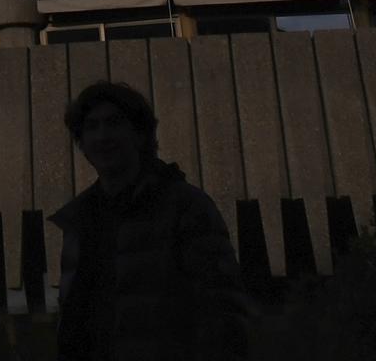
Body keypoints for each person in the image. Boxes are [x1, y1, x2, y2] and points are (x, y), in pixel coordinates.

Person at [48, 79, 248, 361]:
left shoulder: (184, 206)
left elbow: (223, 310)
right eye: (92, 127)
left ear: (140, 135)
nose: (103, 136)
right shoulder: (80, 220)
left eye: (113, 123)